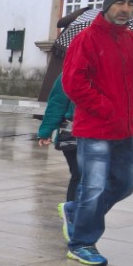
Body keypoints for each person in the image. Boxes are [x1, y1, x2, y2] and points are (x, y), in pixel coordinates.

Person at [60, 0, 133, 266]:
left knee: (127, 183)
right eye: (119, 3)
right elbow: (73, 83)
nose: (125, 9)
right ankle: (82, 243)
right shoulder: (87, 38)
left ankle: (75, 211)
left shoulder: (132, 39)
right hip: (96, 128)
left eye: (130, 4)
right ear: (107, 5)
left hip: (127, 128)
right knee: (94, 187)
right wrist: (106, 109)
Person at [36, 75, 80, 229]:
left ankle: (77, 212)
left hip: (100, 132)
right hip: (73, 132)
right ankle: (73, 216)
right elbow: (57, 102)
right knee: (80, 173)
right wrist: (46, 131)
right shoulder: (69, 73)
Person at [37, 7, 90, 102]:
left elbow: (61, 22)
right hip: (64, 49)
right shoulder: (87, 14)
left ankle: (45, 103)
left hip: (64, 48)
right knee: (57, 79)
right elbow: (60, 23)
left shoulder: (89, 17)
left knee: (55, 79)